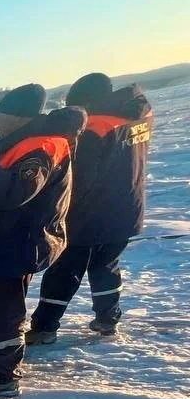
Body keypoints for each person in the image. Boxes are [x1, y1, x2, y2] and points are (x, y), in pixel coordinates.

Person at [0, 84, 85, 398]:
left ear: (19, 117)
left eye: (1, 117)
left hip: (13, 246)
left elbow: (15, 192)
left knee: (2, 316)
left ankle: (4, 376)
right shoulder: (20, 141)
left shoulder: (42, 148)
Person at [27, 73, 153, 342]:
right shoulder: (137, 114)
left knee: (64, 267)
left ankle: (44, 327)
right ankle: (108, 319)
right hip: (128, 207)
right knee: (105, 264)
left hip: (90, 212)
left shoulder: (94, 126)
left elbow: (81, 176)